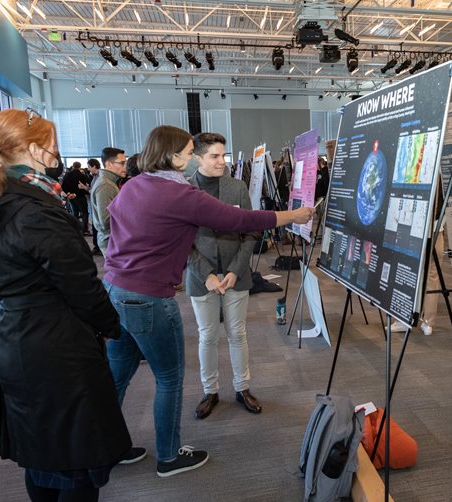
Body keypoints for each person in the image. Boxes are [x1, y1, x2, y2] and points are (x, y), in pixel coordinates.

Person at [103, 125, 314, 478]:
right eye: (189, 152)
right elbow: (240, 219)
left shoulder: (133, 186)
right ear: (173, 157)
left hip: (114, 292)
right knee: (169, 379)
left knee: (117, 376)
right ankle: (169, 457)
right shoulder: (180, 194)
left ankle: (107, 446)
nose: (193, 158)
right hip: (150, 297)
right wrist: (292, 216)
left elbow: (114, 227)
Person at [0, 109, 132, 502]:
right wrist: (110, 325)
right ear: (34, 150)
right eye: (53, 148)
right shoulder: (36, 209)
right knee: (76, 463)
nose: (58, 156)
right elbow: (81, 286)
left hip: (15, 340)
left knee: (43, 457)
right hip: (56, 346)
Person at [185, 133, 261, 419]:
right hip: (200, 277)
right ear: (198, 158)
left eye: (223, 155)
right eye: (215, 156)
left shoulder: (237, 187)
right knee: (207, 336)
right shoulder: (184, 190)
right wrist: (206, 275)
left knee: (237, 334)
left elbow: (251, 231)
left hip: (235, 275)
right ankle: (211, 391)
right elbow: (181, 241)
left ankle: (242, 388)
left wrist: (234, 270)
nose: (222, 161)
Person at [90, 148, 127, 255]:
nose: (125, 167)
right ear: (109, 164)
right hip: (111, 240)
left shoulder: (109, 182)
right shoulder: (106, 185)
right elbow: (106, 221)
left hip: (112, 239)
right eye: (122, 163)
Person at [62, 161, 91, 235]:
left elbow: (63, 185)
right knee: (84, 213)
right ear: (80, 166)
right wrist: (75, 193)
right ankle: (84, 230)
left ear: (73, 166)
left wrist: (68, 193)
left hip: (71, 197)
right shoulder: (81, 175)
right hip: (80, 196)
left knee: (75, 213)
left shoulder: (67, 175)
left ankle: (75, 229)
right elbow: (86, 185)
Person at [86, 159, 101, 254]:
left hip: (98, 206)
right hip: (94, 206)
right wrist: (87, 188)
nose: (88, 169)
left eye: (89, 167)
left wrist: (90, 190)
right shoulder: (95, 177)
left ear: (94, 166)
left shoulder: (100, 177)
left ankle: (98, 247)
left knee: (97, 227)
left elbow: (97, 191)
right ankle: (97, 246)